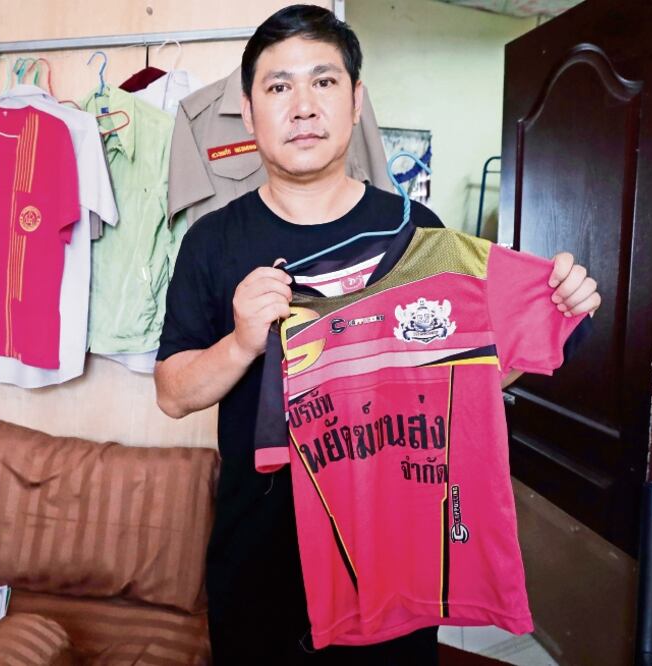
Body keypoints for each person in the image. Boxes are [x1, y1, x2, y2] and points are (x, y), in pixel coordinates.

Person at [153, 5, 601, 664]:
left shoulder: (415, 231)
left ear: (356, 100)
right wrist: (244, 340)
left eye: (324, 82)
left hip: (393, 555)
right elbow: (172, 393)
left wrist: (557, 309)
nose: (303, 106)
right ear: (248, 113)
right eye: (279, 87)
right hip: (259, 558)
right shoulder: (212, 242)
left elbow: (468, 369)